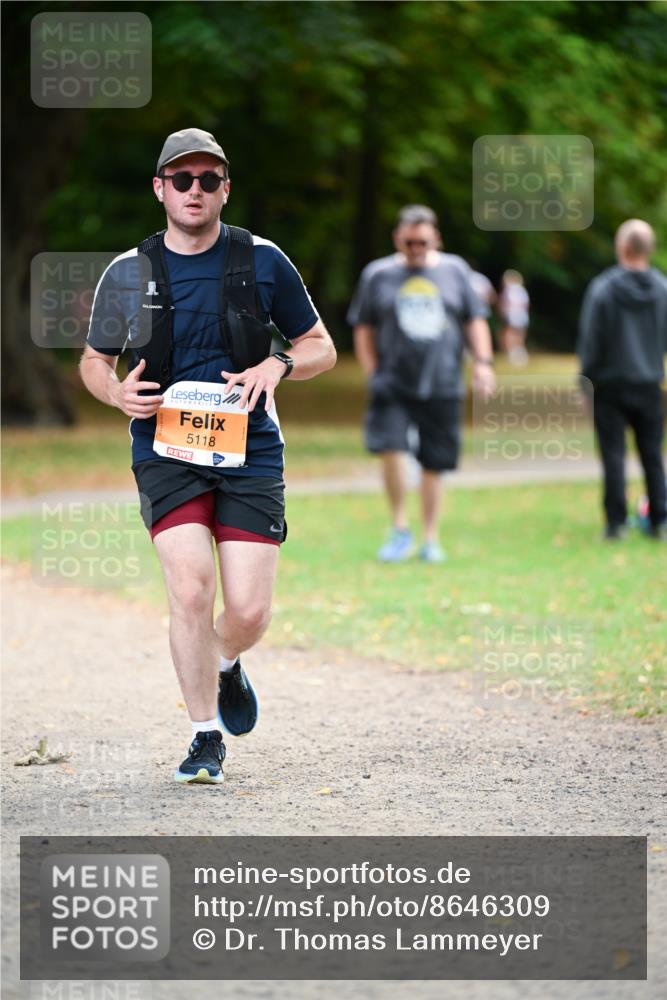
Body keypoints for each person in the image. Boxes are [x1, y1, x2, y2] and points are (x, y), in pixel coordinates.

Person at [80, 128, 336, 784]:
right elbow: (94, 360)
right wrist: (114, 392)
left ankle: (223, 661)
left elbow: (319, 346)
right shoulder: (128, 272)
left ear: (225, 188)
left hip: (249, 447)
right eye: (183, 179)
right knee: (190, 587)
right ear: (161, 188)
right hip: (165, 449)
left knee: (248, 610)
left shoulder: (262, 261)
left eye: (209, 180)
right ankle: (203, 735)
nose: (196, 191)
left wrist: (278, 364)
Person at [348, 205, 495, 562]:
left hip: (443, 381)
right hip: (392, 382)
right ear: (398, 238)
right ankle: (399, 528)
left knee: (435, 461)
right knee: (391, 449)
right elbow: (363, 326)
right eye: (409, 241)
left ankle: (430, 538)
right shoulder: (378, 274)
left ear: (436, 239)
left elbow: (475, 320)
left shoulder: (455, 270)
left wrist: (484, 364)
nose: (415, 248)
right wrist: (372, 371)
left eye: (422, 242)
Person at [577, 218, 667, 541]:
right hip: (650, 385)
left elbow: (591, 340)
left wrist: (584, 380)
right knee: (653, 455)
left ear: (623, 247)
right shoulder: (662, 289)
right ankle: (660, 519)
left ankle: (616, 523)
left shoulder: (603, 288)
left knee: (613, 456)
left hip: (610, 387)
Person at [497, 269, 530, 366]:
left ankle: (510, 353)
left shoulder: (509, 289)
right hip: (522, 315)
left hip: (511, 315)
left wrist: (502, 313)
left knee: (508, 334)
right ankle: (519, 352)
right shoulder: (522, 290)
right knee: (519, 334)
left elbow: (504, 304)